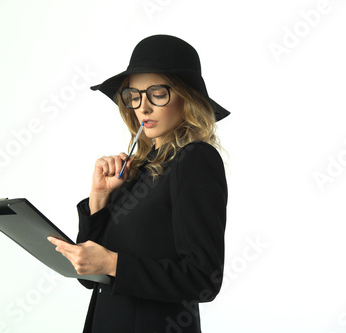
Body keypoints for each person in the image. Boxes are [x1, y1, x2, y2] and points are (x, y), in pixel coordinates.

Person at [48, 34, 229, 333]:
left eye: (157, 93)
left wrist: (113, 263)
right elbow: (87, 276)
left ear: (187, 98)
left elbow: (204, 279)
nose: (143, 107)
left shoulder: (195, 159)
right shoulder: (139, 170)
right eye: (134, 95)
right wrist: (98, 198)